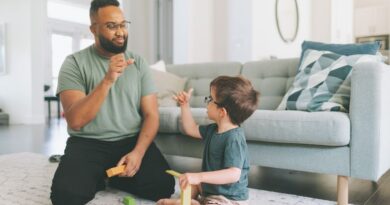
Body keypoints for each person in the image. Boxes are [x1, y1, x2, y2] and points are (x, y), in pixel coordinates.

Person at [50, 0, 175, 204]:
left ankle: (108, 175)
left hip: (130, 141)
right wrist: (107, 80)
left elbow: (151, 115)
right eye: (111, 26)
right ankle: (100, 175)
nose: (120, 32)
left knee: (163, 186)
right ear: (94, 29)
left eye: (123, 24)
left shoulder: (138, 63)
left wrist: (138, 152)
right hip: (88, 144)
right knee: (65, 197)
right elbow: (76, 121)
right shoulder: (74, 63)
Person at [158, 76, 259, 205]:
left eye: (210, 99)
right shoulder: (213, 129)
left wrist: (199, 176)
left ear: (222, 112)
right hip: (209, 189)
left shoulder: (234, 138)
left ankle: (188, 202)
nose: (207, 101)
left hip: (228, 197)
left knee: (203, 191)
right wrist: (184, 105)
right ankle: (188, 201)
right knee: (191, 184)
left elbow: (233, 174)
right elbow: (190, 128)